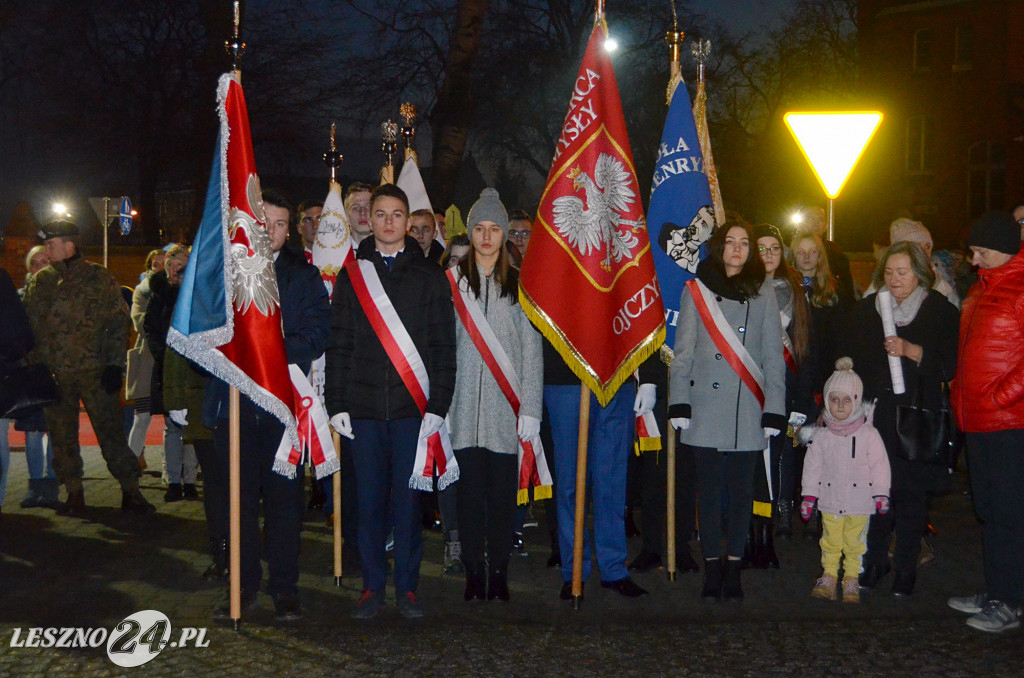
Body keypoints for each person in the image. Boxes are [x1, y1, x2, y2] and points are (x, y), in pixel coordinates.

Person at [325, 183, 456, 620]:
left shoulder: (430, 276)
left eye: (396, 215)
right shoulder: (352, 275)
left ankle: (408, 590)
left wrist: (438, 405)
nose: (387, 222)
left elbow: (443, 347)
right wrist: (336, 403)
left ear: (408, 221)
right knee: (368, 505)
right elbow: (338, 342)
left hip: (410, 413)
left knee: (407, 505)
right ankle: (372, 588)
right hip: (362, 411)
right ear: (369, 220)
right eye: (380, 214)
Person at [204, 190, 331, 621]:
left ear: (290, 228)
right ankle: (241, 585)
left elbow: (315, 336)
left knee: (284, 506)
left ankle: (284, 588)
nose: (272, 232)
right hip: (233, 407)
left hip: (282, 411)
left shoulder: (302, 276)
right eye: (265, 223)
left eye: (280, 224)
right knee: (237, 504)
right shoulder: (228, 273)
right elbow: (206, 331)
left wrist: (265, 349)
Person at [669, 220, 787, 601]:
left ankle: (734, 567)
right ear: (718, 247)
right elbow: (683, 352)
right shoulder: (697, 290)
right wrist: (679, 401)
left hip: (747, 408)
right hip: (704, 405)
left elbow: (773, 356)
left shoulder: (764, 291)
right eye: (730, 242)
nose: (737, 249)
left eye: (744, 243)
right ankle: (712, 568)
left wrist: (774, 408)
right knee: (708, 493)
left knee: (740, 494)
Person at [835, 241, 958, 597]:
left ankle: (906, 566)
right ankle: (874, 561)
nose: (894, 279)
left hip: (916, 419)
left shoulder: (939, 311)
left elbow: (948, 365)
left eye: (902, 272)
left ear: (920, 274)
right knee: (875, 493)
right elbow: (848, 355)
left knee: (910, 495)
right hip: (876, 416)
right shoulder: (866, 311)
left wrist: (911, 351)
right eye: (888, 272)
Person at [448, 188, 542, 602]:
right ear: (470, 234)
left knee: (502, 498)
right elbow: (442, 347)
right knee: (469, 498)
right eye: (480, 229)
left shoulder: (521, 285)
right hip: (463, 410)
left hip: (508, 412)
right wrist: (442, 408)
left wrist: (532, 409)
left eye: (494, 230)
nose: (487, 237)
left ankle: (499, 571)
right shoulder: (451, 284)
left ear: (504, 236)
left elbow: (532, 351)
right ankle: (473, 571)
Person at [22, 220, 154, 516]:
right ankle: (74, 493)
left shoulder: (99, 277)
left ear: (70, 246)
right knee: (62, 436)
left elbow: (118, 323)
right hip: (55, 374)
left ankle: (131, 491)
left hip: (94, 371)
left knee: (111, 433)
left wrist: (113, 364)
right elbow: (30, 328)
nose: (47, 250)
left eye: (52, 244)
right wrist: (35, 367)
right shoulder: (41, 282)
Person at [949, 210, 1024, 633]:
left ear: (1003, 247)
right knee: (989, 510)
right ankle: (998, 588)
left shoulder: (1021, 288)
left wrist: (1000, 396)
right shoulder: (980, 290)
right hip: (975, 419)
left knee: (1009, 513)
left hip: (1009, 423)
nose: (974, 260)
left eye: (980, 252)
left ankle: (1009, 600)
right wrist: (961, 392)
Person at [800, 357, 891, 604]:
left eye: (847, 400)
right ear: (827, 402)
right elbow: (812, 467)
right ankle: (829, 575)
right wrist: (809, 495)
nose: (840, 405)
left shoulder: (869, 435)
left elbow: (880, 465)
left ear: (857, 401)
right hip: (830, 500)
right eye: (834, 399)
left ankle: (851, 577)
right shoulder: (822, 436)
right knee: (830, 539)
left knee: (854, 542)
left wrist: (881, 493)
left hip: (859, 501)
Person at [752, 223, 817, 555]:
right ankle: (757, 513)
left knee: (785, 451)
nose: (768, 255)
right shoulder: (744, 287)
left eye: (774, 249)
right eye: (761, 248)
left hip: (788, 383)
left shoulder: (796, 289)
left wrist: (804, 395)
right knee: (758, 452)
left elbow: (805, 347)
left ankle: (784, 508)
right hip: (754, 383)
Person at [144, 244, 199, 501]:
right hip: (168, 367)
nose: (175, 270)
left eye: (181, 265)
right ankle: (174, 482)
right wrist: (164, 357)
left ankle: (190, 480)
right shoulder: (159, 295)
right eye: (171, 265)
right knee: (172, 426)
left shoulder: (197, 294)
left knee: (193, 426)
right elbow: (151, 330)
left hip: (194, 368)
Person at [5, 247, 59, 510]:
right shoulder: (19, 297)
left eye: (44, 262)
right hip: (30, 370)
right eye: (34, 263)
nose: (39, 267)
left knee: (58, 430)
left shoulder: (62, 295)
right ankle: (35, 484)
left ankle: (53, 485)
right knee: (33, 432)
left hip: (59, 369)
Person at [864, 219, 959, 309]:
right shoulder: (878, 291)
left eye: (927, 246)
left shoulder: (942, 287)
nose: (924, 252)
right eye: (916, 247)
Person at [796, 206, 855, 303]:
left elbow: (846, 285)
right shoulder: (790, 249)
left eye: (820, 219)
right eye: (811, 218)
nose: (816, 223)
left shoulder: (834, 251)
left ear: (826, 225)